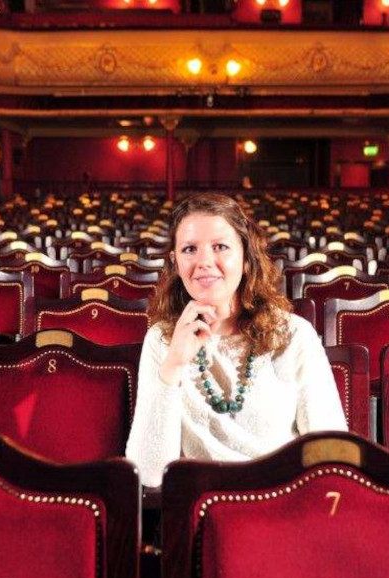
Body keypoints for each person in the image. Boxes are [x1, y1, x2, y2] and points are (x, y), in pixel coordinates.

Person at [125, 192, 347, 487]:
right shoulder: (163, 339)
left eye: (220, 247)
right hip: (203, 511)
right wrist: (174, 366)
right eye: (190, 249)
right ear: (175, 262)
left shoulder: (294, 335)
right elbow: (149, 473)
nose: (204, 261)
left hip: (279, 505)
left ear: (246, 258)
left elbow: (332, 455)